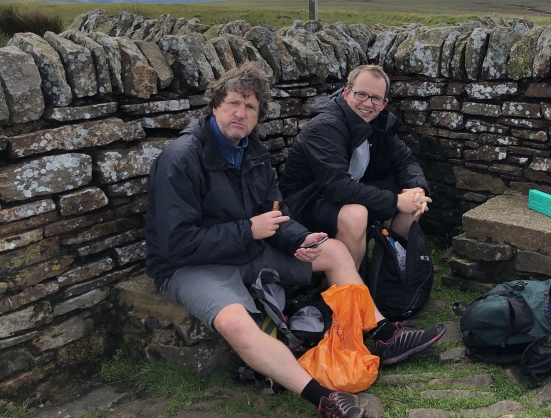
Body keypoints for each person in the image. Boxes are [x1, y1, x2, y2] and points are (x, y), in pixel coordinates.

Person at [145, 62, 445, 418]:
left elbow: (276, 211)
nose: (240, 113)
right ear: (214, 106)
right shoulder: (181, 158)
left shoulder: (252, 151)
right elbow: (175, 243)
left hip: (248, 249)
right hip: (190, 267)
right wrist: (248, 230)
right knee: (234, 322)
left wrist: (298, 239)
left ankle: (384, 334)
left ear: (259, 115)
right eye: (233, 103)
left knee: (334, 251)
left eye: (250, 106)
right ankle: (324, 398)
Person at [279, 64, 430, 269]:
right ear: (346, 93)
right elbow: (337, 187)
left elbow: (406, 161)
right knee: (356, 215)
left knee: (413, 198)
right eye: (361, 94)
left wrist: (417, 189)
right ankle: (352, 280)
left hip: (343, 196)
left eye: (376, 98)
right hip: (306, 204)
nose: (368, 103)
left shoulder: (379, 123)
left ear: (384, 103)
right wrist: (395, 201)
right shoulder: (326, 127)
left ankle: (391, 269)